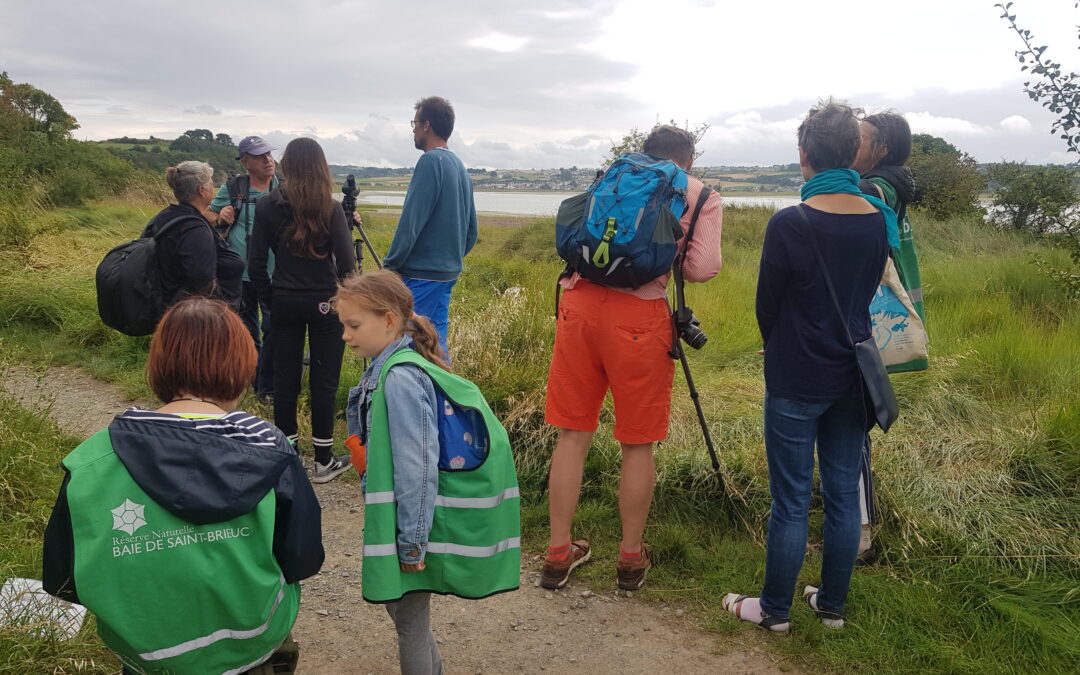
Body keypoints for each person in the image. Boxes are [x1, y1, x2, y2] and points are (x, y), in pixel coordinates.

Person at [42, 296, 324, 674]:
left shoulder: (89, 462)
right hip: (254, 644)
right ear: (242, 366)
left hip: (148, 657)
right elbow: (302, 558)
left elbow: (64, 580)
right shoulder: (272, 449)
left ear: (159, 366)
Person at [723, 101, 890, 632]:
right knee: (843, 493)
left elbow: (767, 305)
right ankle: (831, 607)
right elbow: (865, 291)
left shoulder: (789, 223)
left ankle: (774, 611)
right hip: (854, 376)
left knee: (791, 500)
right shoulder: (876, 219)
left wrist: (779, 344)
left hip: (796, 375)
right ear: (854, 154)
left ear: (803, 155)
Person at [541, 125, 724, 591]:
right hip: (640, 318)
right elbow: (702, 268)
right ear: (689, 158)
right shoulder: (699, 194)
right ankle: (629, 559)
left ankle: (558, 553)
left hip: (578, 305)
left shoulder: (613, 176)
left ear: (645, 153)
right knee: (637, 443)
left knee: (572, 433)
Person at [336, 269, 520, 675]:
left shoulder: (399, 378)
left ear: (387, 320)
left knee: (408, 623)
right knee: (405, 617)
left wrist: (412, 542)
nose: (346, 336)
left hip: (412, 525)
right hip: (408, 522)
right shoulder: (389, 367)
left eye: (353, 325)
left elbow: (416, 466)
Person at [249, 137, 355, 483]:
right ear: (321, 167)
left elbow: (255, 262)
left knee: (285, 381)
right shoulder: (330, 207)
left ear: (289, 166)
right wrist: (342, 300)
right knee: (324, 383)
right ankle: (323, 461)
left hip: (283, 301)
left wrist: (269, 296)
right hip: (325, 302)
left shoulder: (267, 205)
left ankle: (288, 458)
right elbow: (348, 266)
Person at [850, 111, 927, 561]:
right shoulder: (895, 183)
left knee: (852, 428)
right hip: (879, 322)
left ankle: (859, 539)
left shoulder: (872, 189)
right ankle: (853, 525)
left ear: (881, 148)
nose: (853, 145)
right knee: (854, 425)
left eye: (860, 139)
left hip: (863, 324)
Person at [382, 96, 478, 357]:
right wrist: (450, 258)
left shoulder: (430, 162)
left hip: (420, 276)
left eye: (414, 123)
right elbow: (472, 231)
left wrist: (390, 266)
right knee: (435, 345)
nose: (412, 129)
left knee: (403, 347)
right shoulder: (459, 166)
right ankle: (440, 398)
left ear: (427, 125)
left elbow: (410, 222)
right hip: (446, 275)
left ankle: (406, 397)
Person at [209, 136, 281, 401]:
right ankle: (259, 381)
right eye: (260, 156)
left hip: (276, 274)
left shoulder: (283, 187)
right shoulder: (233, 187)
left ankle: (266, 381)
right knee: (248, 329)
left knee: (273, 327)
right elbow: (206, 213)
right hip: (241, 274)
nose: (268, 160)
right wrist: (220, 216)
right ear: (245, 161)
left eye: (269, 154)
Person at [143, 161, 243, 310]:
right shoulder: (195, 229)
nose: (212, 187)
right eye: (210, 182)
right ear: (202, 190)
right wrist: (224, 309)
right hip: (196, 318)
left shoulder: (163, 217)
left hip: (169, 308)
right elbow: (203, 284)